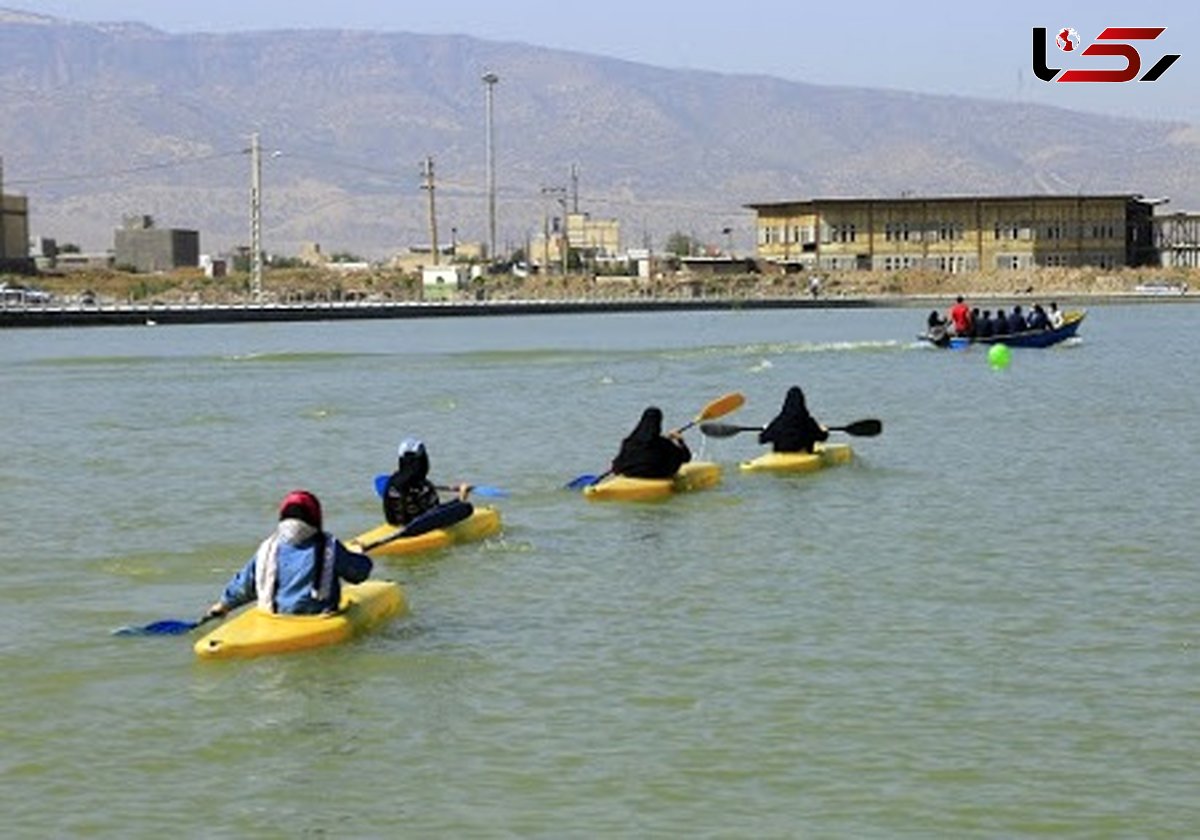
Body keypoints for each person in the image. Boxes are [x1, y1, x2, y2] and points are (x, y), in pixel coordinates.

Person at [206, 490, 372, 618]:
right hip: (318, 620)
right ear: (315, 517)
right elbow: (358, 574)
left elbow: (245, 585)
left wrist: (224, 605)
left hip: (274, 618)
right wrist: (360, 555)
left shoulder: (268, 548)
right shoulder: (330, 547)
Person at [382, 437, 472, 527]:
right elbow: (436, 514)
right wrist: (462, 497)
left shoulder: (392, 481)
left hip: (395, 524)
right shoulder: (424, 488)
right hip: (418, 528)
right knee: (468, 507)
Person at [611, 406, 691, 479]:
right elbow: (686, 458)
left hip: (631, 474)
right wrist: (680, 440)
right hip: (655, 475)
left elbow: (616, 467)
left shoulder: (628, 442)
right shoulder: (663, 444)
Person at [758, 386, 829, 454]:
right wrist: (824, 430)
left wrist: (766, 429)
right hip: (802, 453)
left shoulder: (779, 421)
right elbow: (822, 437)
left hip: (780, 453)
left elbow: (761, 439)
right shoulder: (807, 421)